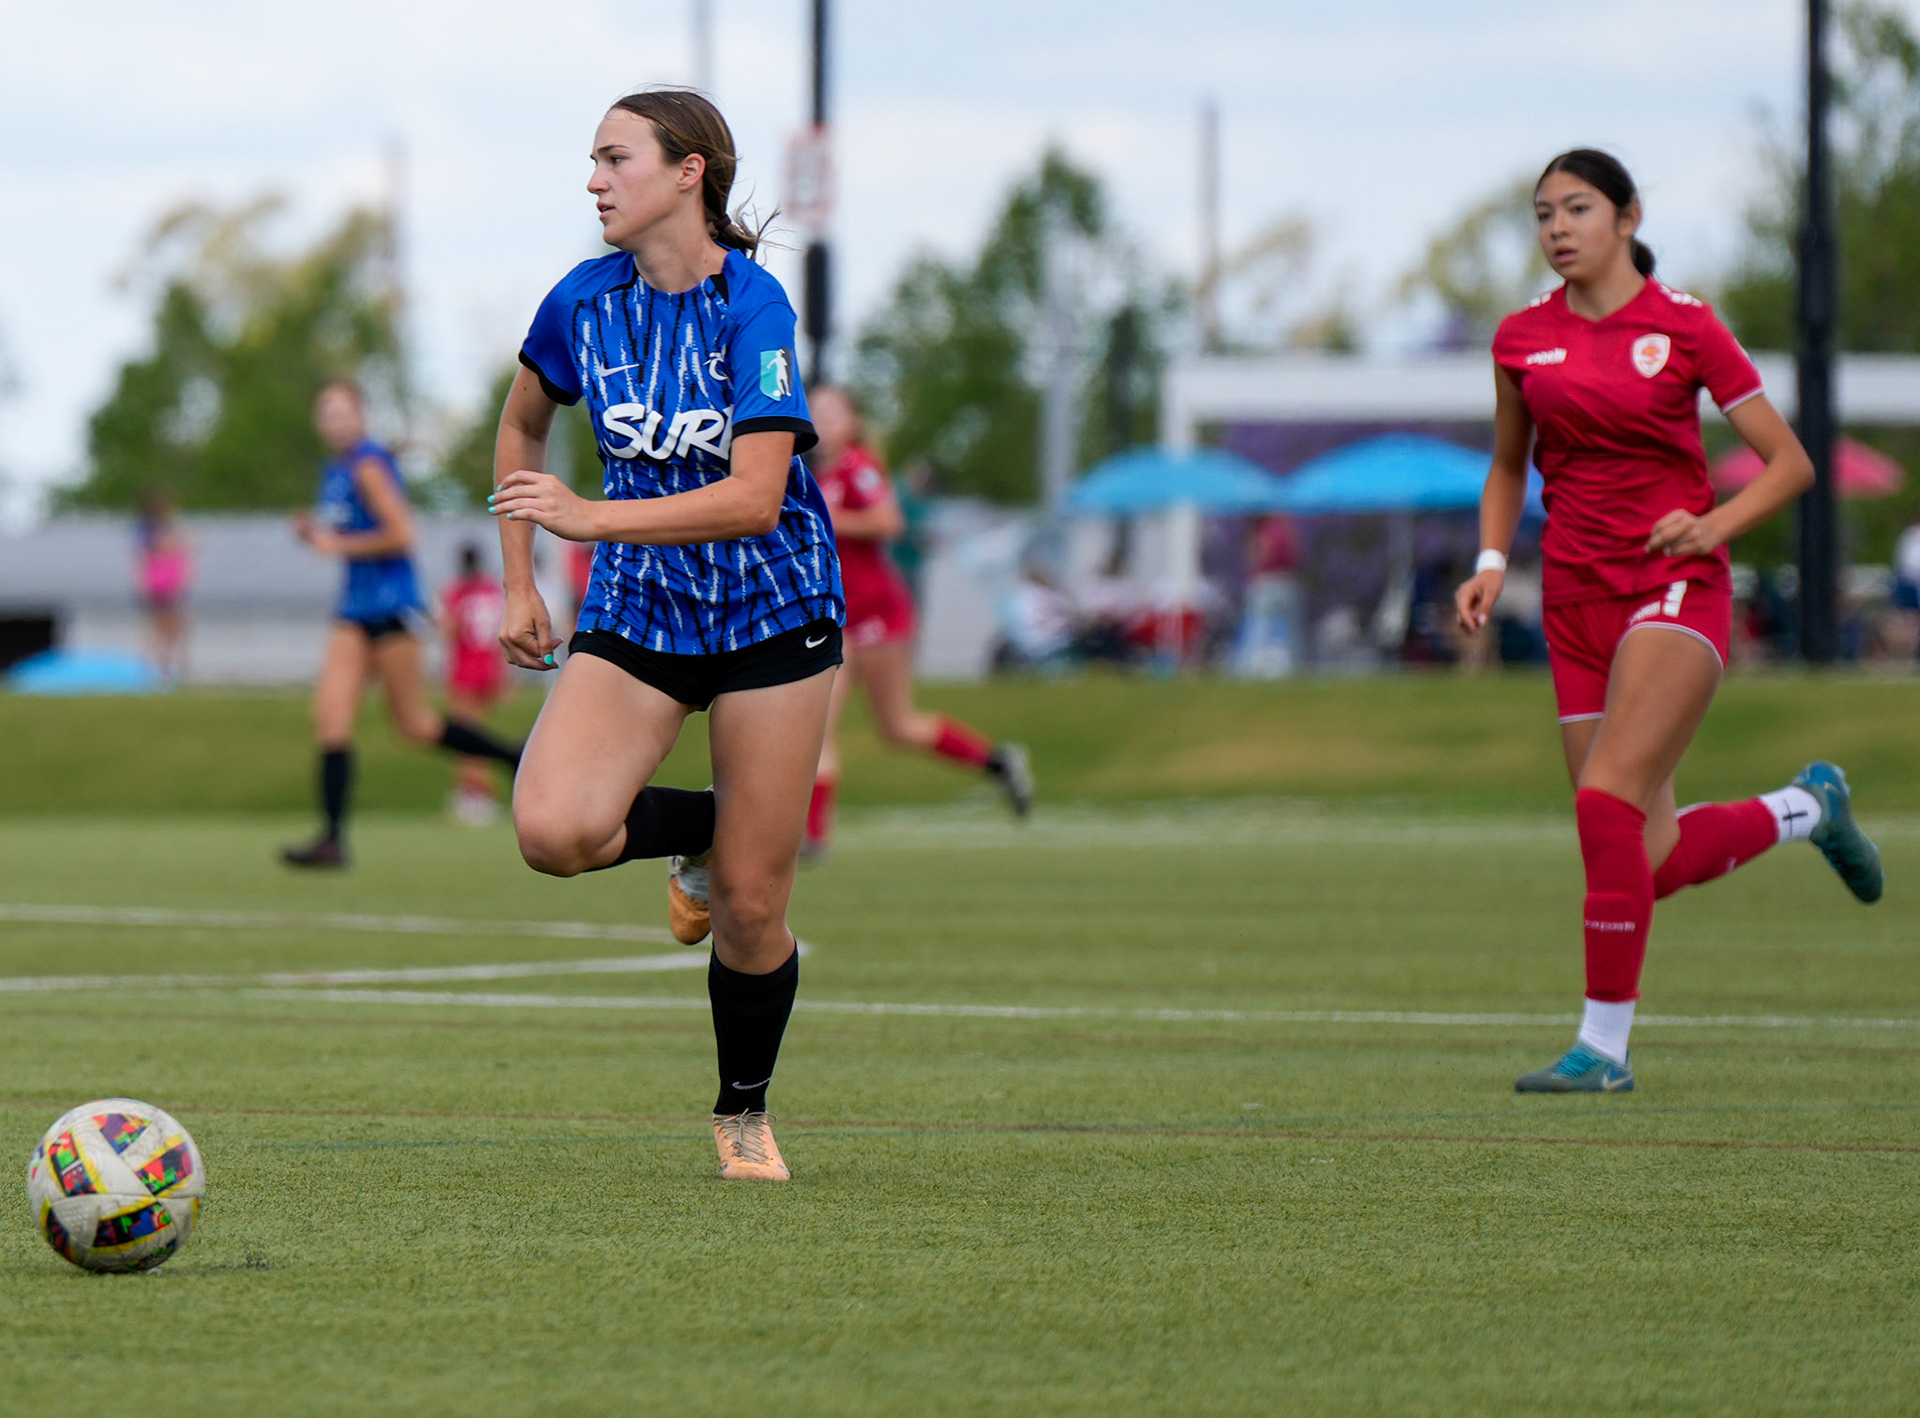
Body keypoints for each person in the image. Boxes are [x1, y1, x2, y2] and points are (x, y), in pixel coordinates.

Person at [1455, 149, 1884, 1094]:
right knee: (1639, 859)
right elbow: (1508, 466)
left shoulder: (1685, 325)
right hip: (1573, 601)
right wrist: (1489, 564)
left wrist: (1712, 526)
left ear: (1628, 217)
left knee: (1603, 801)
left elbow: (1791, 464)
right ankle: (1807, 809)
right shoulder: (1521, 338)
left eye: (1576, 208)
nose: (1557, 228)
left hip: (1675, 587)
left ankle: (1602, 1052)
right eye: (1543, 214)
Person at [488, 88, 840, 1182]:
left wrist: (590, 518)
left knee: (750, 906)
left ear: (690, 173)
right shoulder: (581, 302)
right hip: (643, 603)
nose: (595, 181)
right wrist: (520, 581)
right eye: (593, 162)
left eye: (616, 159)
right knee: (552, 830)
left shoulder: (756, 307)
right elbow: (522, 424)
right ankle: (716, 826)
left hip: (772, 604)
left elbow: (754, 498)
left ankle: (743, 1112)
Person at [284, 380, 522, 867]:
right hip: (353, 611)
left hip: (393, 608)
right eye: (327, 412)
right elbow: (350, 530)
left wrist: (335, 544)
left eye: (343, 411)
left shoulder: (368, 464)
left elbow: (401, 534)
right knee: (331, 717)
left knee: (415, 724)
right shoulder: (336, 470)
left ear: (361, 415)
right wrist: (316, 533)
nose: (335, 420)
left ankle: (514, 758)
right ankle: (332, 840)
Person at [804, 386, 1032, 856]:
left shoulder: (858, 467)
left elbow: (888, 522)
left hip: (879, 613)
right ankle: (814, 836)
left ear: (853, 421)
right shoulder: (815, 475)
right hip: (839, 617)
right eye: (816, 410)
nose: (822, 419)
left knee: (898, 726)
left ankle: (997, 762)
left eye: (832, 411)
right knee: (818, 725)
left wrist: (829, 518)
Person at [437, 543, 511, 825]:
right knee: (477, 733)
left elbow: (451, 629)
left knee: (467, 739)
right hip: (489, 668)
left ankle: (477, 796)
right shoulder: (492, 590)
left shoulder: (457, 591)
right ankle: (473, 793)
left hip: (465, 668)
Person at [133, 488, 192, 682]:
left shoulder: (173, 552)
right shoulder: (151, 540)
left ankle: (167, 666)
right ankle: (155, 667)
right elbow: (143, 569)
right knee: (159, 629)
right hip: (159, 592)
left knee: (174, 629)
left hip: (169, 591)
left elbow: (183, 571)